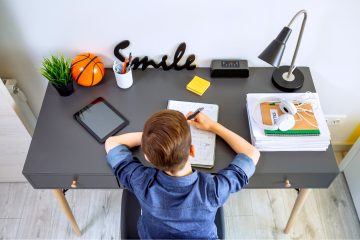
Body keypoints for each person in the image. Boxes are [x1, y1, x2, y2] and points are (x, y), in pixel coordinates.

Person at [105, 109, 260, 239]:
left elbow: (112, 143)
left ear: (148, 157)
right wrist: (213, 126)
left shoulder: (141, 182)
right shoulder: (214, 191)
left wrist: (154, 140)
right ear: (192, 150)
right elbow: (251, 153)